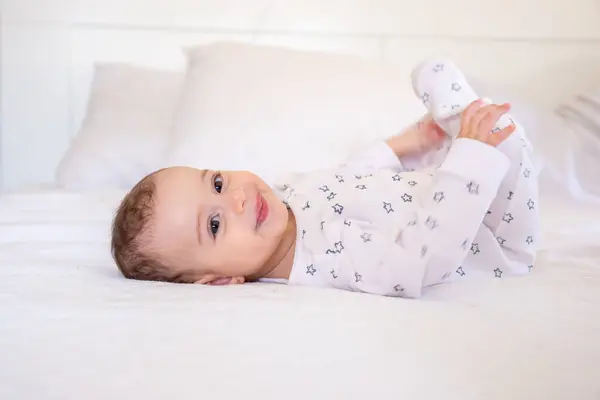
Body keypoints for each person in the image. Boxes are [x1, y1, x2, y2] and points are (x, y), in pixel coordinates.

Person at [111, 58, 539, 298]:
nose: (236, 200)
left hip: (437, 188)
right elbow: (425, 260)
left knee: (442, 96)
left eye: (218, 184)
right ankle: (470, 131)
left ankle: (456, 127)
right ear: (220, 281)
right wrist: (471, 156)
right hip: (487, 239)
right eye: (215, 225)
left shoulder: (284, 196)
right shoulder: (328, 263)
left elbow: (348, 177)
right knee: (508, 141)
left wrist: (407, 142)